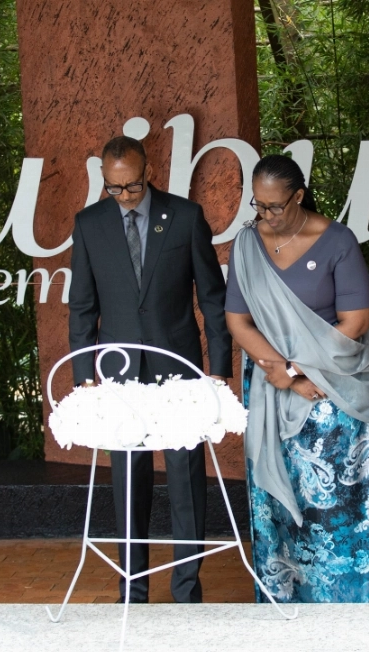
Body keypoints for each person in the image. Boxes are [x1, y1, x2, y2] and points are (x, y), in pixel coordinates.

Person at [225, 154, 369, 603]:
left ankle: (358, 602)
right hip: (274, 390)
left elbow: (355, 321)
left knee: (344, 508)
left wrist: (297, 369)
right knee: (283, 506)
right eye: (258, 205)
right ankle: (291, 603)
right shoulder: (247, 245)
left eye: (275, 206)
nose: (265, 216)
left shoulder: (337, 241)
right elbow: (238, 322)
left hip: (335, 384)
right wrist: (282, 376)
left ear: (298, 196)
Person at [68, 136, 232, 604]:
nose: (123, 197)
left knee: (184, 478)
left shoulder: (185, 217)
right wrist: (84, 375)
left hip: (178, 369)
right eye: (113, 189)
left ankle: (186, 590)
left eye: (132, 187)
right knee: (128, 480)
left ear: (149, 170)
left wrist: (218, 369)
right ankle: (133, 591)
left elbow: (212, 299)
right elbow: (82, 306)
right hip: (118, 374)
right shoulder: (90, 224)